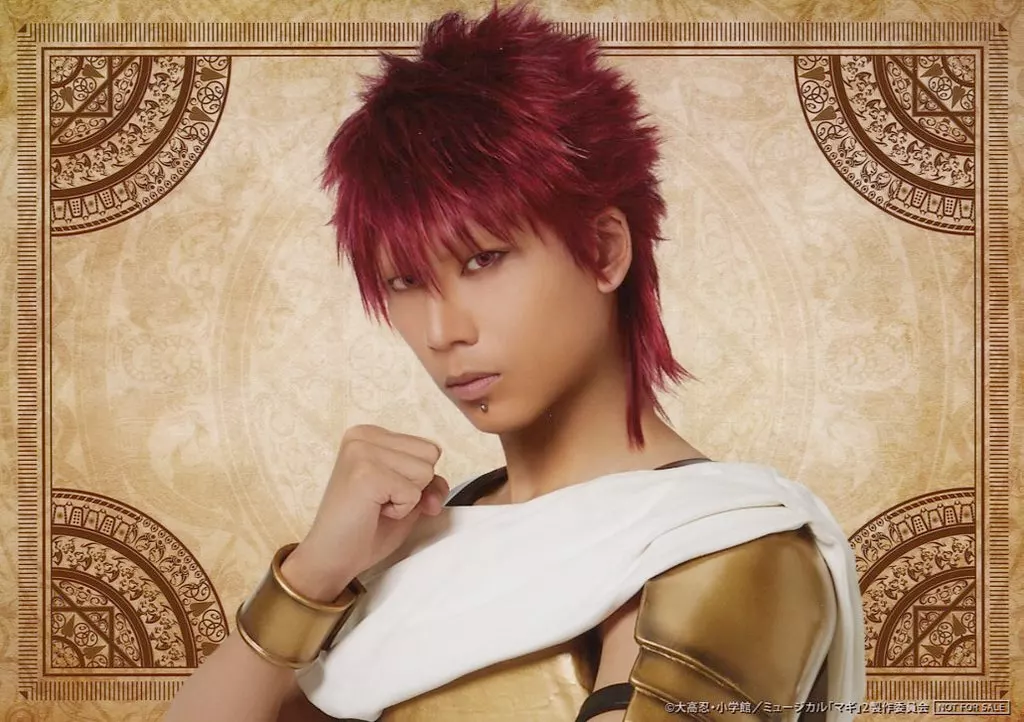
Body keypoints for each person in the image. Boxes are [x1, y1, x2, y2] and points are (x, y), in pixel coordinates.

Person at [164, 4, 866, 722]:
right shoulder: (412, 544)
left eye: (483, 260)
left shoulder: (722, 548)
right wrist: (313, 572)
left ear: (603, 251)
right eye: (405, 281)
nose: (443, 331)